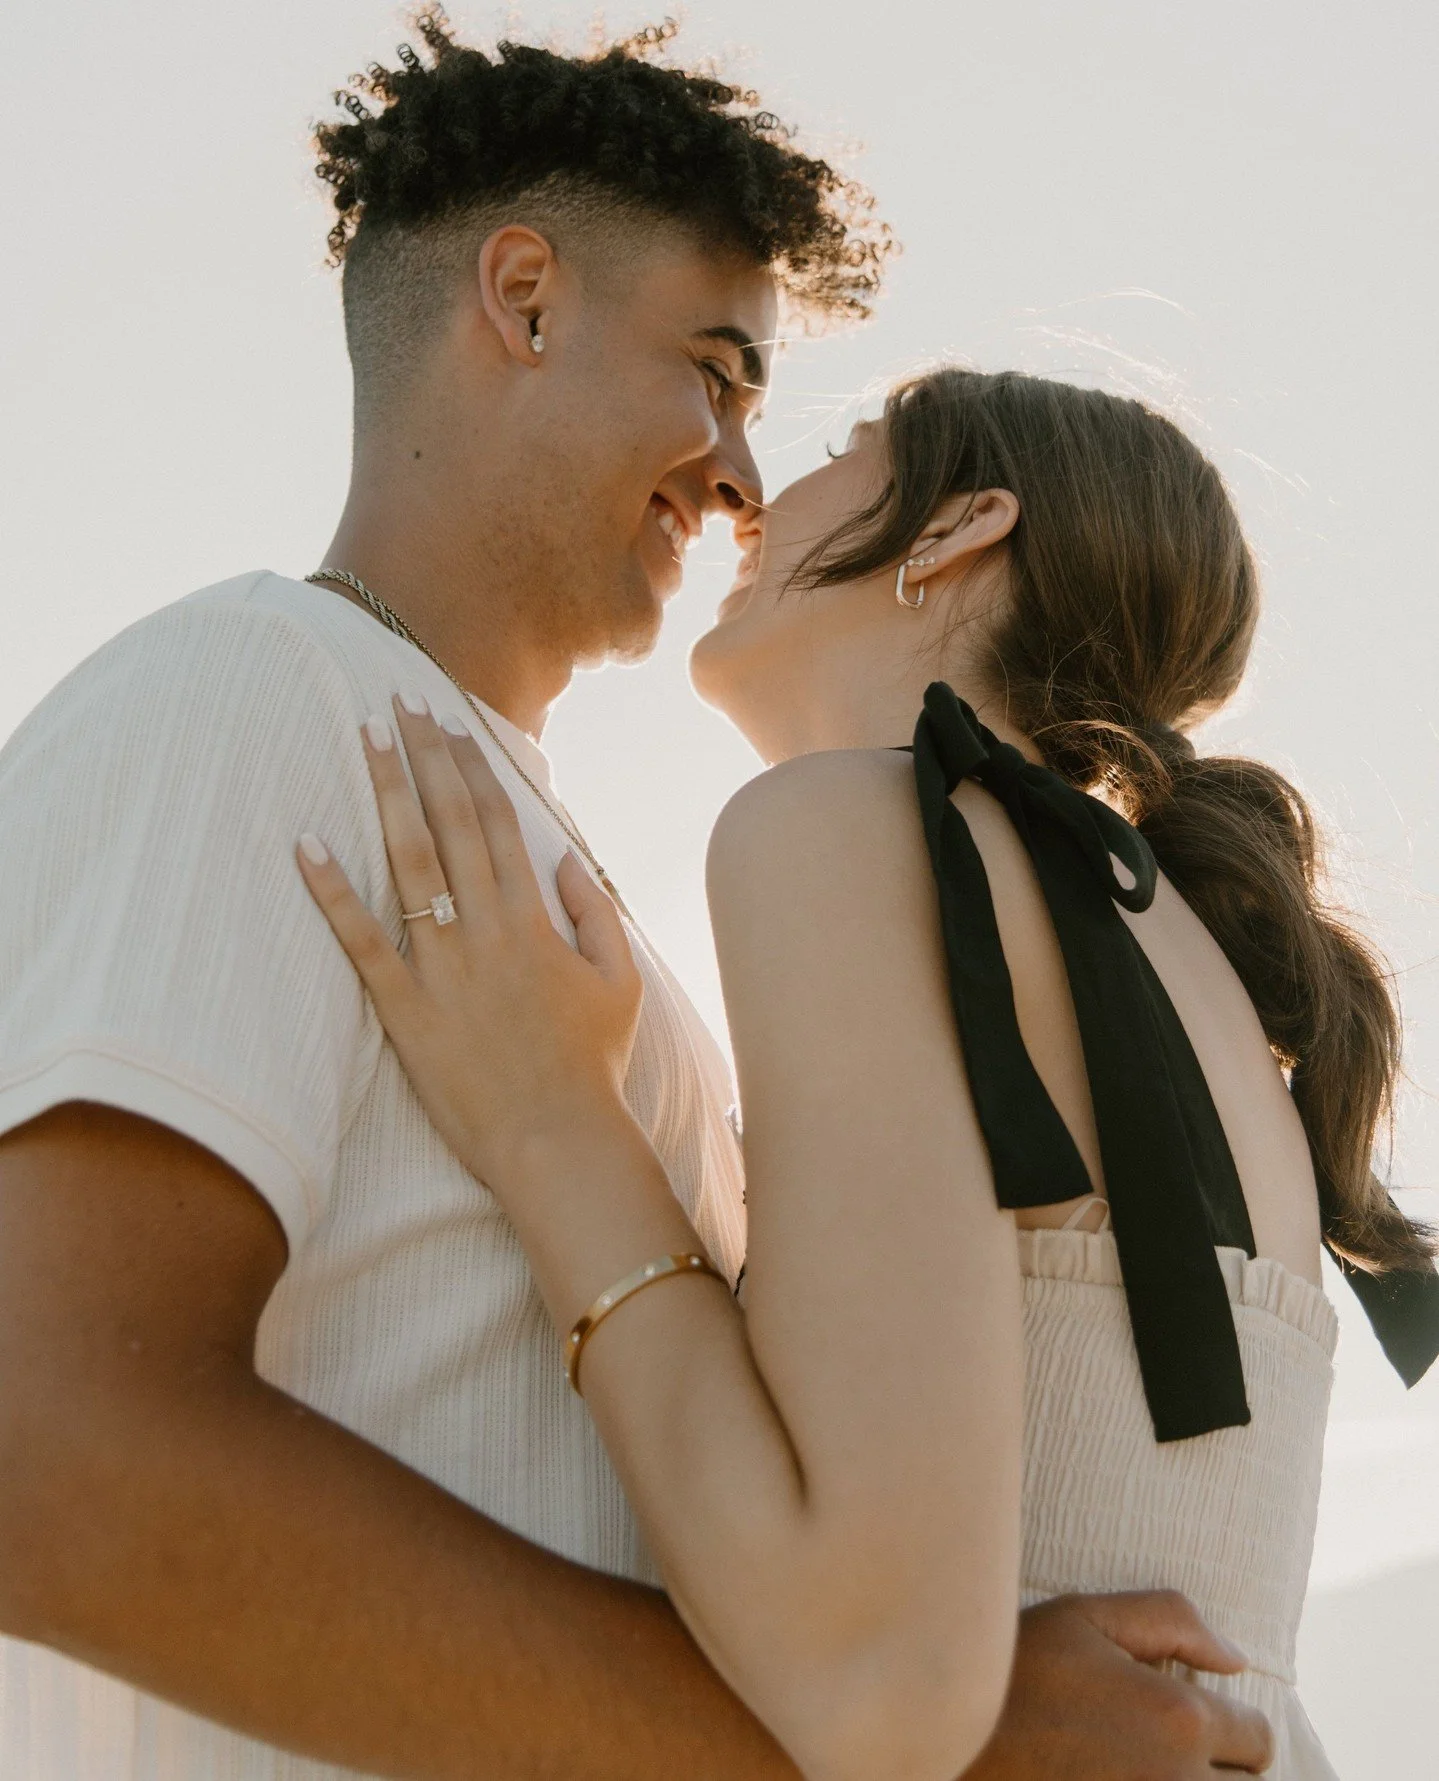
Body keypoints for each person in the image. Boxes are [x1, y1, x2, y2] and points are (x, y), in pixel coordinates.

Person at [0, 14, 1276, 1780]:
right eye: (717, 368)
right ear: (521, 301)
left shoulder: (595, 900)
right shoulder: (253, 693)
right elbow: (49, 1462)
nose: (744, 473)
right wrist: (933, 1760)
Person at [298, 369, 1439, 1779]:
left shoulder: (853, 832)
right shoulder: (1178, 959)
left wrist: (546, 1117)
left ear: (960, 528)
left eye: (842, 450)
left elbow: (876, 1686)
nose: (751, 501)